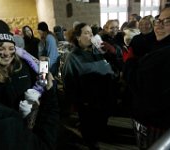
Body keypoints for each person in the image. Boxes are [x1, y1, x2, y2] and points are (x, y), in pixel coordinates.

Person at [0, 27, 59, 150]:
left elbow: (44, 78)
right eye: (0, 49)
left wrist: (41, 86)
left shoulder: (23, 63)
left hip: (36, 126)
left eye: (11, 48)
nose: (6, 53)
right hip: (9, 133)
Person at [62, 22, 118, 150]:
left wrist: (112, 53)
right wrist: (80, 102)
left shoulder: (98, 51)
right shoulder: (73, 57)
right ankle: (91, 142)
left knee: (102, 122)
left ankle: (100, 135)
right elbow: (69, 82)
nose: (91, 36)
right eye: (86, 33)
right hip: (88, 104)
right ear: (77, 37)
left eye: (92, 33)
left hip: (105, 98)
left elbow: (113, 68)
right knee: (90, 130)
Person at [123, 7, 170, 150]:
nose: (160, 26)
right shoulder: (159, 45)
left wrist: (129, 62)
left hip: (155, 121)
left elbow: (139, 82)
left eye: (167, 21)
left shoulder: (165, 53)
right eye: (158, 21)